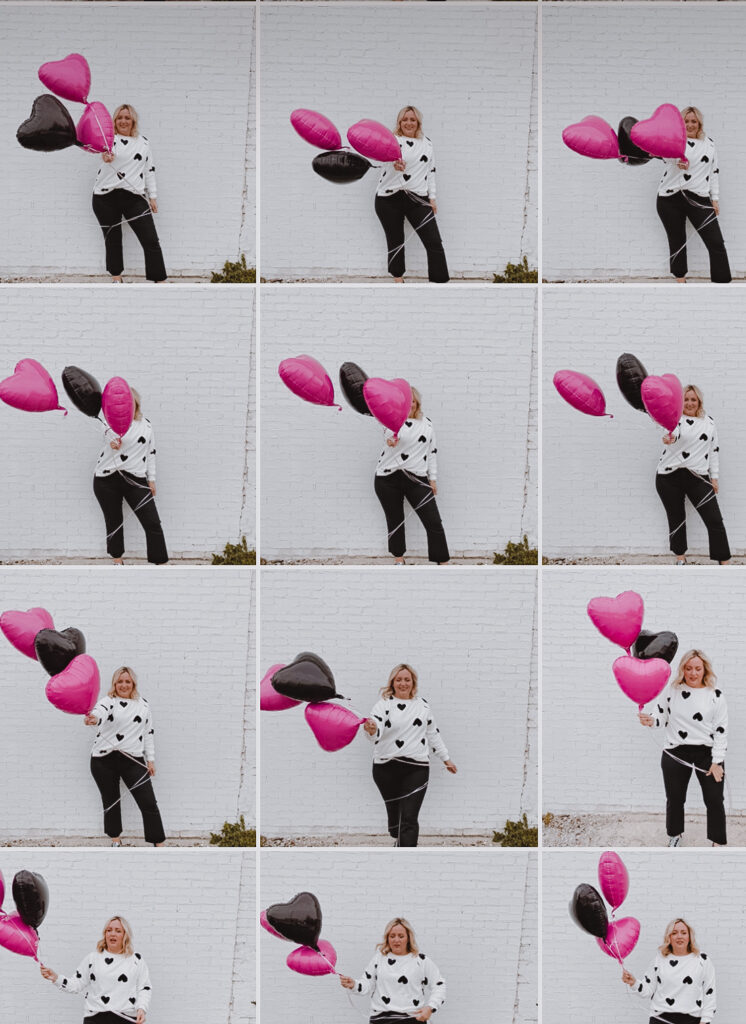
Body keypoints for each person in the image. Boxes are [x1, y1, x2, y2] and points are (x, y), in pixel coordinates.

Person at [639, 649, 727, 847]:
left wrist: (717, 761)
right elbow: (660, 718)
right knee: (675, 799)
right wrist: (650, 720)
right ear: (683, 670)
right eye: (688, 668)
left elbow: (722, 730)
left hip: (707, 753)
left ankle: (717, 841)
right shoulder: (672, 691)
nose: (693, 673)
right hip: (675, 751)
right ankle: (675, 835)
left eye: (697, 669)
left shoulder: (716, 695)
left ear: (704, 670)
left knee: (714, 799)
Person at [364, 664, 457, 847]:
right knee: (395, 824)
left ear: (413, 682)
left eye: (407, 679)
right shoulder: (383, 705)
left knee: (409, 818)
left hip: (416, 768)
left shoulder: (422, 705)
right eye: (399, 679)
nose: (403, 683)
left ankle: (407, 857)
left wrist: (446, 759)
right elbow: (375, 730)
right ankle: (397, 835)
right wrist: (372, 729)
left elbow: (432, 733)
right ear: (392, 682)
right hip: (386, 768)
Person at [85, 666, 166, 847]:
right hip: (103, 760)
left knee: (148, 802)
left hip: (133, 760)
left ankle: (158, 843)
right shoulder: (108, 701)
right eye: (120, 681)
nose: (123, 685)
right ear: (114, 684)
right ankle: (115, 841)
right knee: (111, 801)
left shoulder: (143, 705)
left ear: (133, 684)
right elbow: (100, 713)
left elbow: (148, 733)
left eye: (127, 681)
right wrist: (94, 719)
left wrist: (150, 760)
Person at [654, 384, 730, 565]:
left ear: (699, 402)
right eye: (686, 399)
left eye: (693, 400)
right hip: (669, 477)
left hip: (698, 477)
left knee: (714, 519)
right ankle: (680, 558)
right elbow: (672, 434)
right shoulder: (676, 420)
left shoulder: (709, 423)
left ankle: (724, 561)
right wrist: (668, 438)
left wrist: (714, 478)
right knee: (677, 518)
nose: (689, 403)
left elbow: (714, 451)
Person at [93, 387, 169, 565]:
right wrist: (112, 441)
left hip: (136, 478)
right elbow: (106, 435)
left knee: (152, 522)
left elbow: (151, 453)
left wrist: (152, 479)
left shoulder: (146, 426)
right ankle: (117, 560)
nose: (124, 408)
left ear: (135, 404)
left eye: (128, 404)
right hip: (106, 479)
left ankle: (160, 562)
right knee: (114, 521)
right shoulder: (109, 423)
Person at [373, 387, 449, 565]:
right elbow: (389, 436)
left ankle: (443, 561)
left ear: (417, 403)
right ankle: (399, 559)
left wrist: (433, 479)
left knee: (433, 521)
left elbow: (432, 452)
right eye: (406, 403)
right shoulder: (392, 422)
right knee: (395, 520)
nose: (410, 405)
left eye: (412, 402)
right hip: (388, 479)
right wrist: (392, 440)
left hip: (416, 479)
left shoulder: (427, 424)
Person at [91, 104, 167, 283]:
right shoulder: (109, 141)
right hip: (105, 197)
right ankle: (116, 278)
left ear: (133, 121)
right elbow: (105, 155)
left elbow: (149, 170)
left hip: (134, 197)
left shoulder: (143, 143)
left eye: (127, 118)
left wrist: (152, 196)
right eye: (119, 118)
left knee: (150, 239)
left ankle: (160, 280)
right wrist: (106, 156)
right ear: (114, 122)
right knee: (113, 238)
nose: (123, 121)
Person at [656, 106, 731, 283]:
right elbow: (666, 156)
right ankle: (680, 281)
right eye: (686, 121)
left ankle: (722, 284)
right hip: (670, 198)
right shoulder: (674, 142)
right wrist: (678, 162)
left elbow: (714, 172)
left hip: (699, 197)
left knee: (716, 242)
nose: (690, 125)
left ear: (699, 124)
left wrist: (715, 199)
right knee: (677, 241)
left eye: (693, 121)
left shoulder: (710, 145)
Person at [374, 106, 449, 283]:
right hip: (388, 199)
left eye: (412, 120)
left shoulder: (427, 144)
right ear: (399, 123)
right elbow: (381, 162)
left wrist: (432, 198)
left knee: (434, 242)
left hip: (417, 198)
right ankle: (398, 280)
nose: (409, 123)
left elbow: (431, 171)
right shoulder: (391, 141)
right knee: (396, 241)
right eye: (405, 119)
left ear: (418, 123)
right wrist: (393, 164)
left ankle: (440, 283)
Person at [40, 915, 152, 1023]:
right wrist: (56, 978)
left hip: (126, 1017)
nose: (113, 934)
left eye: (118, 931)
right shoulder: (92, 958)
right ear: (105, 934)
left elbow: (144, 988)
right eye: (109, 930)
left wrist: (142, 1008)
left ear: (125, 935)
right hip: (96, 1018)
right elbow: (76, 984)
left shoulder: (136, 960)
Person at [339, 917, 446, 1022]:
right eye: (392, 936)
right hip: (382, 1019)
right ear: (387, 938)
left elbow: (439, 985)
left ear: (408, 938)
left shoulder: (421, 960)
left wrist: (430, 1007)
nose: (396, 940)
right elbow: (366, 985)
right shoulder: (379, 959)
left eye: (401, 936)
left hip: (412, 1019)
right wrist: (354, 984)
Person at [621, 917, 716, 1024]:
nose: (679, 936)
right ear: (669, 937)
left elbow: (709, 994)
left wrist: (705, 1020)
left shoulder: (702, 960)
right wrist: (633, 982)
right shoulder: (659, 960)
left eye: (684, 933)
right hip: (661, 1019)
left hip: (692, 1020)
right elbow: (648, 990)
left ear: (689, 936)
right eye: (674, 933)